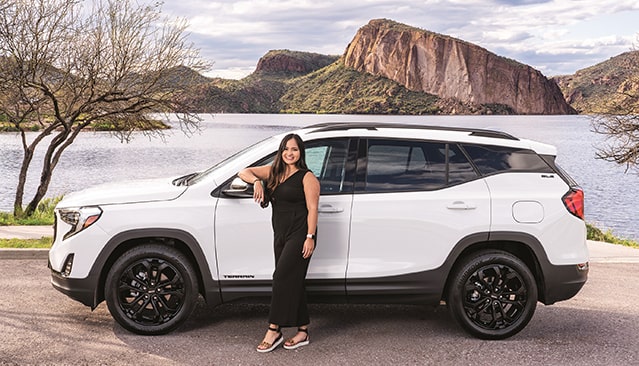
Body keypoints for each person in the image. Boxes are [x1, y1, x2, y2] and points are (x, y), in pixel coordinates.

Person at [238, 133, 320, 353]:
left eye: (294, 149)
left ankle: (274, 329)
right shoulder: (274, 172)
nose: (289, 153)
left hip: (301, 234)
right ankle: (303, 331)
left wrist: (310, 237)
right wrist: (257, 182)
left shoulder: (307, 177)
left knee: (281, 277)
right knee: (294, 280)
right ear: (281, 151)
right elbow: (243, 171)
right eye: (286, 148)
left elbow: (313, 209)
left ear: (301, 152)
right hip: (280, 234)